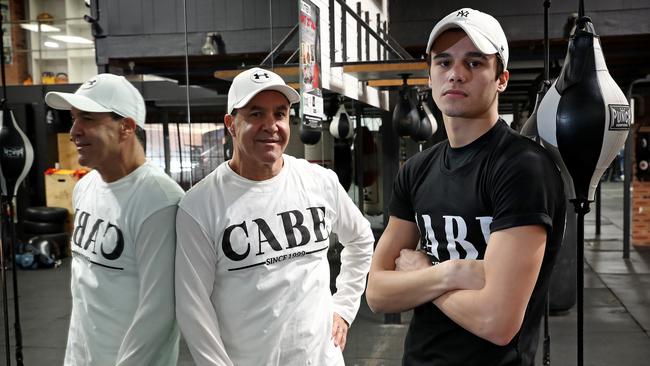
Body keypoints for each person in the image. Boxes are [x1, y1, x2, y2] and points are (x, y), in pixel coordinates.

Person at [366, 8, 566, 366]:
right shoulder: (416, 170)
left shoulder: (522, 169)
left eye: (474, 63)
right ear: (429, 76)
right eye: (443, 63)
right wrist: (450, 272)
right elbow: (377, 293)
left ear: (501, 78)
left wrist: (421, 277)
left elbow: (497, 322)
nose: (455, 74)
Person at [175, 67, 374, 365]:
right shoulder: (199, 205)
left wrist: (344, 308)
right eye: (256, 114)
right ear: (231, 123)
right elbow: (193, 308)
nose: (271, 125)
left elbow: (360, 239)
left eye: (279, 114)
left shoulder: (319, 181)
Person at [45, 74, 184, 366]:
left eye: (87, 119)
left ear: (126, 127)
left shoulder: (159, 200)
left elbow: (160, 313)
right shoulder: (85, 188)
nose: (74, 132)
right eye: (73, 118)